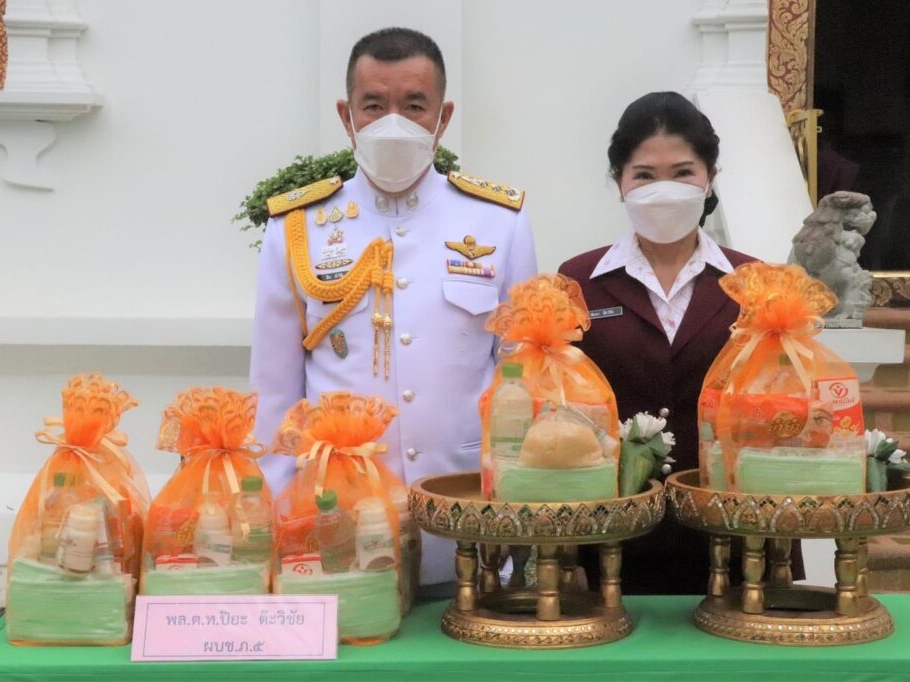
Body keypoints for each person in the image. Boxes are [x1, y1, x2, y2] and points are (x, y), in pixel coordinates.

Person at [250, 27, 538, 590]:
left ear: (443, 117)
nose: (393, 122)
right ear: (347, 116)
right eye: (374, 106)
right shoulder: (298, 227)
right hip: (339, 518)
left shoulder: (497, 222)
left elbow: (522, 378)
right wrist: (281, 517)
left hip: (467, 516)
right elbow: (275, 394)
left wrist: (521, 514)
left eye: (413, 106)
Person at [559, 91, 801, 594]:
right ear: (620, 182)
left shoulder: (755, 282)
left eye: (683, 172)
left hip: (738, 536)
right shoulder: (579, 281)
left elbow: (783, 408)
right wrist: (564, 555)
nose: (663, 190)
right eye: (645, 175)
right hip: (610, 538)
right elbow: (560, 409)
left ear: (710, 178)